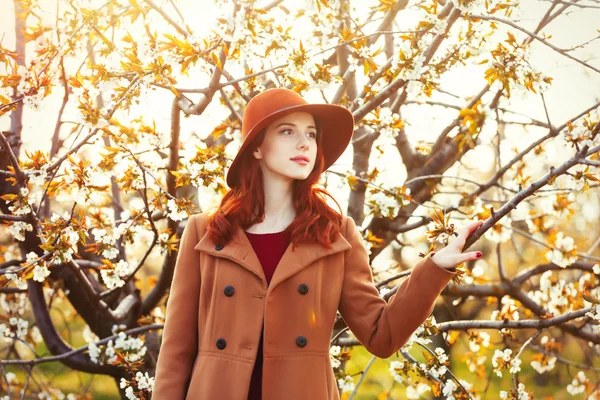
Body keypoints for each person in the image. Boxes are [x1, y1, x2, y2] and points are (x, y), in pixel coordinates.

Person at [151, 87, 483, 400]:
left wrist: (435, 268)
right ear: (256, 147)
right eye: (287, 131)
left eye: (310, 133)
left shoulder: (335, 234)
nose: (304, 144)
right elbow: (176, 350)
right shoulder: (205, 232)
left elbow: (382, 335)